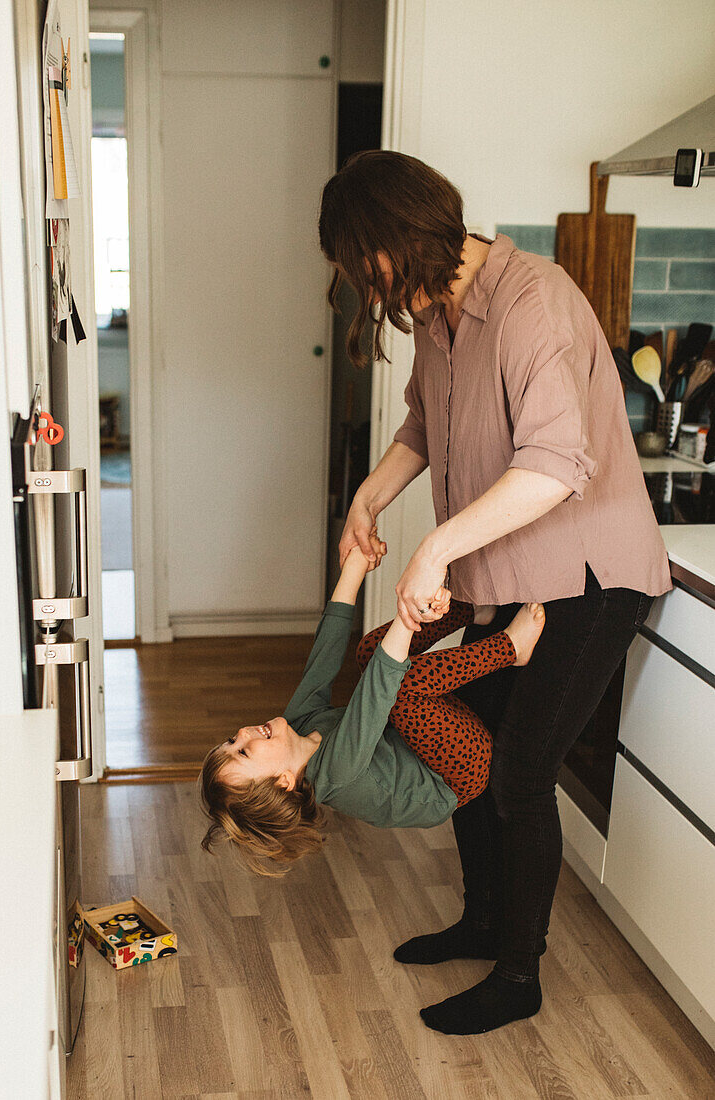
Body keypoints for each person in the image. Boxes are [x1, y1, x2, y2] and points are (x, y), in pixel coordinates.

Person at [318, 149, 672, 1035]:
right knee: (465, 755)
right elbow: (423, 424)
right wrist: (371, 495)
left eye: (369, 265)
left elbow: (554, 466)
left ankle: (520, 974)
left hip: (588, 582)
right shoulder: (439, 314)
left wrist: (433, 550)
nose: (371, 288)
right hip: (507, 578)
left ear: (404, 236)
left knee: (517, 776)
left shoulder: (531, 300)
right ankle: (483, 921)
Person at [199, 535, 546, 891]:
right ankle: (511, 648)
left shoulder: (300, 726)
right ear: (284, 781)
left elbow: (325, 655)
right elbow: (379, 689)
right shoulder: (337, 772)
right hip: (458, 775)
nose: (243, 732)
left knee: (367, 651)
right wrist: (412, 610)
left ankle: (474, 611)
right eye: (243, 751)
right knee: (399, 686)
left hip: (426, 742)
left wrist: (353, 568)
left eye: (231, 740)